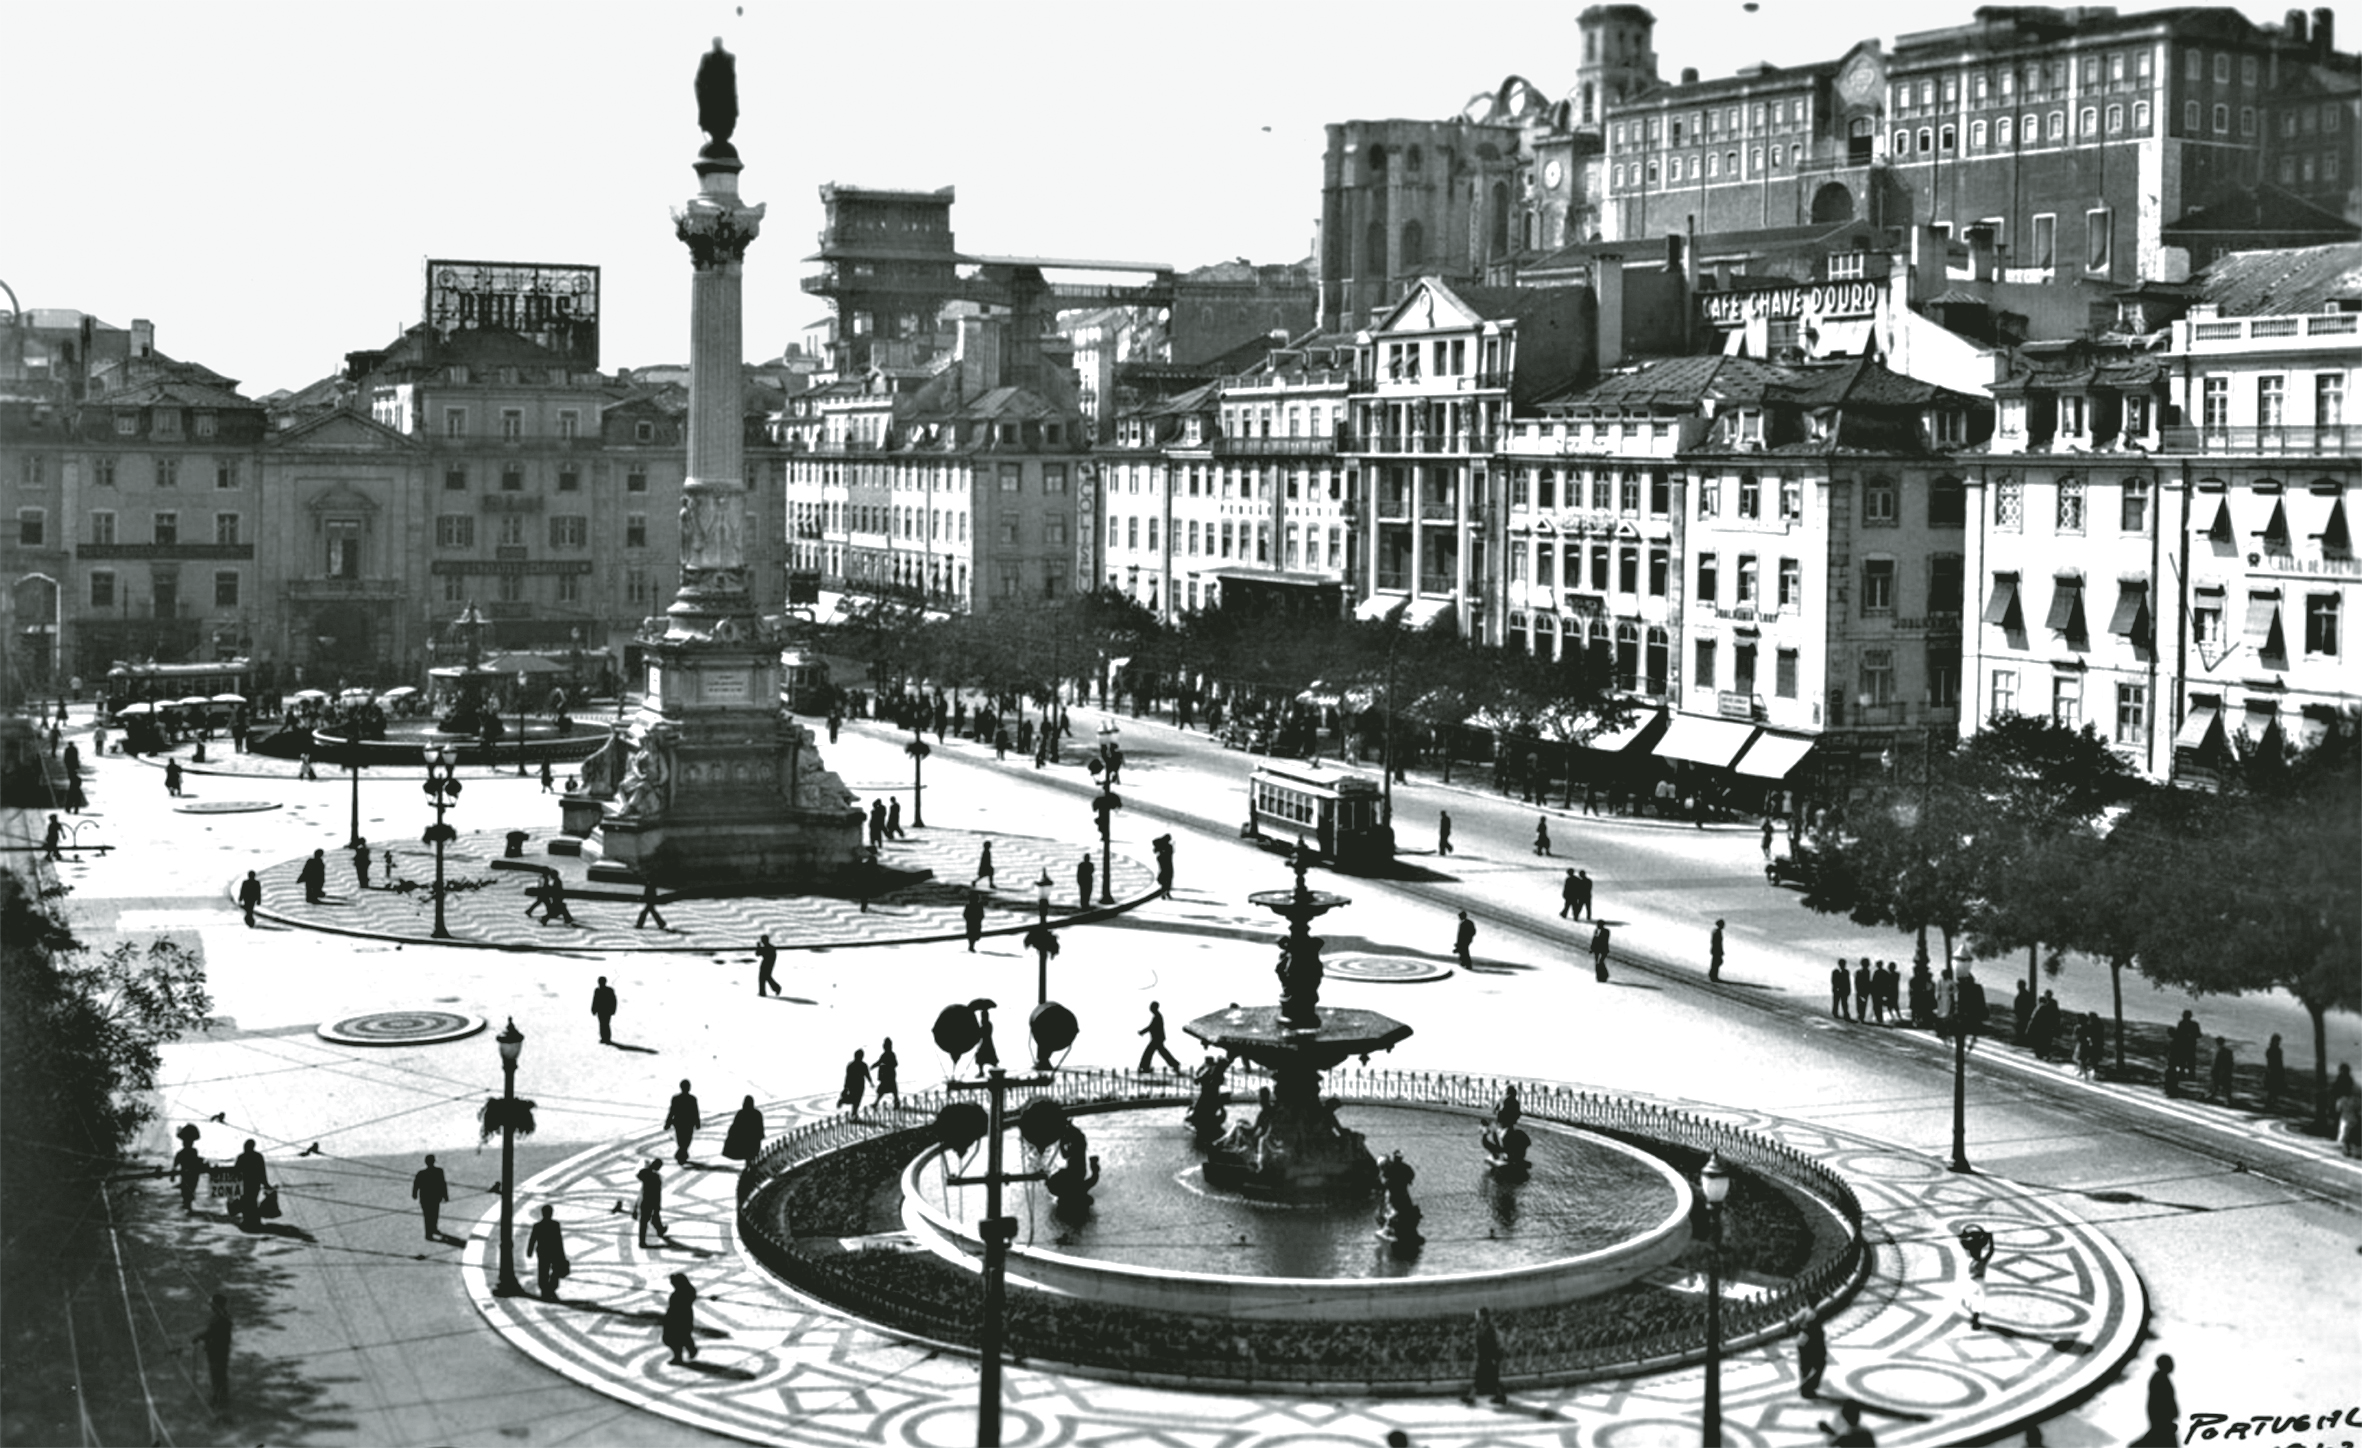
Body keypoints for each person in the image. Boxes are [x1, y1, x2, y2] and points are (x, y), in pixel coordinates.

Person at [193, 1294, 233, 1411]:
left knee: (217, 1375)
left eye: (213, 1304)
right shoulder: (225, 1317)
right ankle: (221, 1397)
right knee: (220, 1374)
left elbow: (210, 1333)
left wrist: (197, 1338)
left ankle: (219, 1399)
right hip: (222, 1350)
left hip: (216, 1351)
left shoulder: (218, 1319)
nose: (211, 1306)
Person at [1461, 1306, 1505, 1407]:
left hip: (1488, 1358)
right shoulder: (1482, 1327)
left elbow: (1492, 1344)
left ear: (1483, 1316)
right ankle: (1500, 1396)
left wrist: (1493, 1358)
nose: (1476, 1316)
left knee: (1482, 1378)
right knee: (1492, 1379)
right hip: (1485, 1357)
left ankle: (1471, 1397)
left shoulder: (1489, 1328)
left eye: (1478, 1314)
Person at [2132, 1354, 2178, 1446]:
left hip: (2163, 1418)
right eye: (2170, 1363)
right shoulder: (2160, 1379)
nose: (2173, 1366)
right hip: (2162, 1418)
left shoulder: (2161, 1378)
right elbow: (2161, 1400)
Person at [526, 1205, 567, 1301]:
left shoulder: (537, 1226)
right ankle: (551, 1288)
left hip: (543, 1252)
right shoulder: (555, 1225)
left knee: (543, 1271)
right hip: (553, 1252)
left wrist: (530, 1250)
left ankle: (544, 1289)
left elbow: (532, 1239)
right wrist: (562, 1254)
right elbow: (558, 1240)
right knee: (554, 1271)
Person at [662, 1272, 699, 1364]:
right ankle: (690, 1349)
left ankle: (681, 1355)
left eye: (673, 1282)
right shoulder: (685, 1292)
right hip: (679, 1317)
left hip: (679, 1318)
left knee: (677, 1337)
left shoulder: (683, 1293)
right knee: (681, 1337)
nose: (672, 1284)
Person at [233, 1139, 269, 1231]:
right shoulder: (258, 1156)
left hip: (246, 1183)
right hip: (254, 1183)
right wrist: (265, 1183)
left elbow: (236, 1171)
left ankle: (248, 1221)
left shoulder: (241, 1157)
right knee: (252, 1202)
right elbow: (262, 1171)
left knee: (246, 1202)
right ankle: (255, 1221)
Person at [411, 1154, 449, 1241]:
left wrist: (414, 1194)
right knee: (435, 1214)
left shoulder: (421, 1173)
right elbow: (443, 1184)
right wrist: (445, 1196)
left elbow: (416, 1184)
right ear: (434, 1161)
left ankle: (428, 1233)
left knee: (427, 1216)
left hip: (425, 1198)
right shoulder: (439, 1171)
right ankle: (433, 1228)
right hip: (435, 1198)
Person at [1138, 1001, 1182, 1074]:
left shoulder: (1157, 1017)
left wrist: (1142, 1032)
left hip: (1156, 1039)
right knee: (1162, 1052)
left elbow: (1151, 1027)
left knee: (1148, 1052)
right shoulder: (1157, 1016)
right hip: (1158, 1038)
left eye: (1151, 1007)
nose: (1150, 1009)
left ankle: (1144, 1067)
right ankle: (1175, 1064)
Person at [664, 1080, 701, 1165]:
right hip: (688, 1123)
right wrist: (697, 1123)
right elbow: (695, 1112)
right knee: (686, 1140)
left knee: (681, 1140)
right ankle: (681, 1155)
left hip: (679, 1123)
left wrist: (668, 1123)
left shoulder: (676, 1098)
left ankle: (681, 1155)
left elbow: (671, 1112)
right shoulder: (692, 1099)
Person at [2166, 1010, 2201, 1096]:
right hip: (2185, 1045)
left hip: (2188, 1045)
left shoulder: (2192, 1024)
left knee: (2189, 1060)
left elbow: (2198, 1034)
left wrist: (2190, 1035)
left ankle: (2189, 1074)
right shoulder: (2184, 1024)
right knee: (2185, 1060)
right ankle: (2185, 1074)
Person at [722, 1095, 765, 1164]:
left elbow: (734, 1127)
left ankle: (749, 1166)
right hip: (751, 1141)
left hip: (745, 1141)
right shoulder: (756, 1114)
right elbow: (760, 1128)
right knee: (751, 1155)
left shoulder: (741, 1113)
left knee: (749, 1155)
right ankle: (750, 1166)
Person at [173, 1127, 207, 1213]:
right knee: (188, 1189)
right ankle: (187, 1203)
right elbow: (175, 1163)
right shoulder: (185, 1152)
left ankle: (187, 1203)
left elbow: (176, 1163)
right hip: (189, 1174)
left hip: (191, 1173)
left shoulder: (191, 1151)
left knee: (190, 1188)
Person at [635, 1159, 667, 1246]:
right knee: (654, 1217)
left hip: (644, 1200)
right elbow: (657, 1193)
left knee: (643, 1222)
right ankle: (660, 1230)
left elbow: (641, 1189)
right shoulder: (656, 1177)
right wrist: (658, 1205)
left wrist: (636, 1205)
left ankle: (642, 1241)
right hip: (652, 1201)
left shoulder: (644, 1174)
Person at [1795, 1312, 1827, 1398]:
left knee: (1804, 1366)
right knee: (1819, 1365)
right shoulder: (1814, 1315)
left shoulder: (1802, 1311)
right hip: (1810, 1341)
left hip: (1801, 1340)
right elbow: (1818, 1333)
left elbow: (1794, 1326)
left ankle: (1805, 1387)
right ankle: (1806, 1387)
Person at [838, 1048, 871, 1119]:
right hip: (858, 1085)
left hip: (855, 1085)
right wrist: (870, 1082)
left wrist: (846, 1086)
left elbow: (847, 1077)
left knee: (856, 1100)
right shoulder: (862, 1065)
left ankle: (854, 1113)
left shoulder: (852, 1065)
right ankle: (845, 1102)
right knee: (856, 1099)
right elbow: (867, 1075)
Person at [2206, 1037, 2236, 1105]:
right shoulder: (2228, 1052)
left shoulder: (2217, 1051)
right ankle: (2229, 1100)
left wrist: (2212, 1071)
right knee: (2226, 1087)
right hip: (2226, 1072)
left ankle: (2211, 1097)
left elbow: (2215, 1063)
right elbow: (2231, 1063)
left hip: (2218, 1071)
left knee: (2215, 1085)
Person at [874, 1038, 900, 1111]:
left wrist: (886, 1065)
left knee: (889, 1090)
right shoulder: (884, 1054)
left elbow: (895, 1064)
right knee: (888, 1090)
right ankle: (876, 1103)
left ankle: (896, 1103)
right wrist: (874, 1065)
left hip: (889, 1075)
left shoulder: (891, 1054)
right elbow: (879, 1062)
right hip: (886, 1075)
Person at [591, 976, 618, 1044]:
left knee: (605, 1024)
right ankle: (604, 1038)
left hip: (606, 1011)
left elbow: (613, 1001)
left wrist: (613, 1009)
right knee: (602, 1024)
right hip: (601, 1011)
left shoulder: (609, 990)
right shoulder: (597, 990)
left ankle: (607, 1038)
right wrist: (594, 1009)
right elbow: (595, 1000)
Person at [1708, 919, 1726, 983]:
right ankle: (1713, 976)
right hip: (1716, 949)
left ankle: (1712, 974)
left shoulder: (1715, 931)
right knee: (1716, 962)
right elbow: (1718, 943)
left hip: (1715, 949)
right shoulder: (1717, 932)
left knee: (1715, 962)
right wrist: (1720, 950)